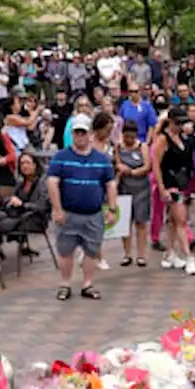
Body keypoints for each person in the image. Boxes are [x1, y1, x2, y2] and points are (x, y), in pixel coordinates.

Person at [47, 114, 118, 300]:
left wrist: (111, 209)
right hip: (69, 213)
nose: (80, 136)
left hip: (94, 214)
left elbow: (110, 184)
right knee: (65, 251)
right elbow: (52, 183)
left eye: (83, 132)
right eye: (77, 132)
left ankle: (88, 284)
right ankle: (65, 284)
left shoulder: (102, 159)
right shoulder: (60, 157)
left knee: (91, 250)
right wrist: (57, 209)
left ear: (90, 134)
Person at [152, 109, 195, 272]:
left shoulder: (182, 138)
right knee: (181, 220)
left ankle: (170, 253)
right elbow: (156, 164)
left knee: (172, 221)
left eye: (182, 123)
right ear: (170, 121)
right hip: (170, 183)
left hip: (181, 182)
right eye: (177, 123)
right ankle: (188, 255)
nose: (180, 126)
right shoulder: (163, 139)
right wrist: (162, 188)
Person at [115, 121, 152, 267]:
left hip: (141, 187)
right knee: (125, 222)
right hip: (124, 187)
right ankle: (127, 253)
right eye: (126, 137)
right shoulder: (118, 147)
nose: (129, 140)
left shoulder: (142, 146)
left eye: (131, 137)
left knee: (141, 221)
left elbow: (147, 165)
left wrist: (132, 172)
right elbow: (118, 164)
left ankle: (141, 254)